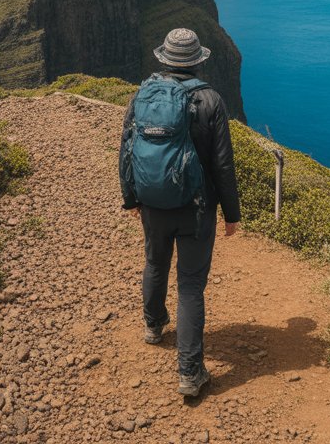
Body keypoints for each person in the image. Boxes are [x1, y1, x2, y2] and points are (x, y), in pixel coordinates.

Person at [119, 27, 241, 398]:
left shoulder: (143, 94)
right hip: (196, 209)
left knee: (155, 263)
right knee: (190, 286)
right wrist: (231, 213)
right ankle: (190, 373)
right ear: (197, 61)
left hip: (153, 203)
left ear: (165, 58)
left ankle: (153, 326)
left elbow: (127, 151)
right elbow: (222, 165)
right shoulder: (210, 100)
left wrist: (131, 198)